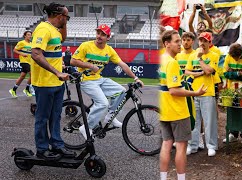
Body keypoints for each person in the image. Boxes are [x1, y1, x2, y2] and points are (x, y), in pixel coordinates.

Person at [70, 24, 144, 139]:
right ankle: (86, 127)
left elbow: (122, 65)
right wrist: (89, 65)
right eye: (98, 33)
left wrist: (136, 78)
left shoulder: (109, 50)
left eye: (103, 34)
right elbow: (73, 61)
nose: (99, 36)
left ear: (108, 37)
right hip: (86, 80)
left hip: (99, 79)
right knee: (103, 103)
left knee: (121, 91)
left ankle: (110, 116)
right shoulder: (86, 45)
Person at [159, 29, 206, 180]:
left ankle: (163, 177)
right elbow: (174, 90)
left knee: (166, 144)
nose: (180, 44)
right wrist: (195, 93)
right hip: (177, 111)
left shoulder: (161, 59)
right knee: (181, 147)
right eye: (177, 41)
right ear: (167, 44)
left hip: (164, 110)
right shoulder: (172, 63)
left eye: (180, 41)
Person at [31, 2, 75, 160]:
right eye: (66, 17)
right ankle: (42, 149)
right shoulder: (43, 29)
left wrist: (63, 22)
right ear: (59, 16)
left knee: (55, 116)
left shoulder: (55, 30)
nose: (68, 20)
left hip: (57, 83)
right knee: (42, 118)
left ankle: (57, 144)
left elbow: (63, 38)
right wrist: (57, 72)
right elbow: (35, 54)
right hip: (45, 83)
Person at [185, 32, 219, 157]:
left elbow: (209, 71)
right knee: (194, 121)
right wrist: (199, 73)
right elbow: (187, 71)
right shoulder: (192, 55)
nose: (202, 43)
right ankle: (192, 145)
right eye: (200, 40)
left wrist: (200, 59)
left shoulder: (214, 55)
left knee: (209, 121)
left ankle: (211, 145)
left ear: (210, 43)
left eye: (205, 41)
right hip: (193, 92)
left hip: (207, 92)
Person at [222, 43, 242, 144]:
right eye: (233, 57)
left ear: (240, 54)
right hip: (231, 89)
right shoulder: (228, 56)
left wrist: (232, 73)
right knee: (232, 111)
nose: (234, 59)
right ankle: (233, 134)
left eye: (236, 57)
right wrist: (238, 73)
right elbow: (225, 73)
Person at [9, 30, 33, 97]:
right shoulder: (21, 43)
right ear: (25, 36)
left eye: (30, 35)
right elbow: (15, 50)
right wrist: (22, 54)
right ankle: (27, 89)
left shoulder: (31, 44)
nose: (30, 36)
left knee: (22, 76)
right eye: (28, 35)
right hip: (24, 61)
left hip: (30, 62)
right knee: (32, 74)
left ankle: (13, 90)